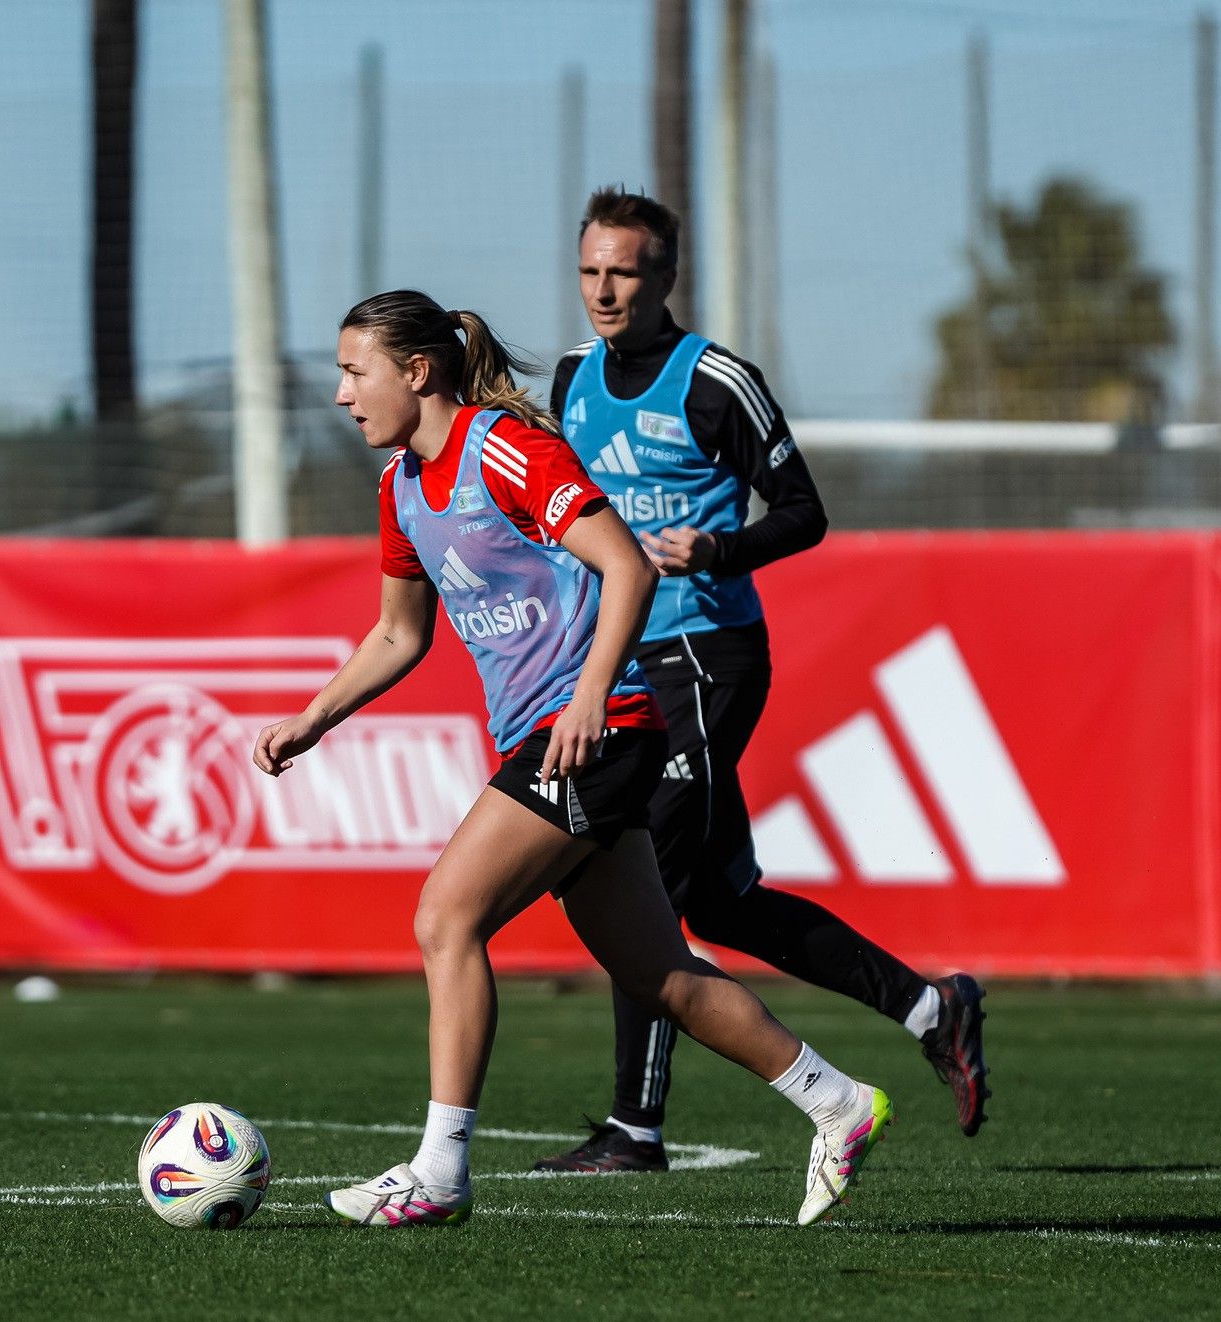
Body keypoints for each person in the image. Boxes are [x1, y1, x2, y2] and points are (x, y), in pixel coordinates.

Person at [253, 290, 892, 1228]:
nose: (344, 394)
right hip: (557, 738)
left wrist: (592, 692)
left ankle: (439, 1169)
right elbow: (398, 635)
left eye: (355, 372)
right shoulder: (398, 487)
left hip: (601, 729)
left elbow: (626, 565)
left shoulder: (504, 447)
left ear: (416, 372)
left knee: (444, 917)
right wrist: (315, 718)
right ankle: (837, 1102)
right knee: (659, 973)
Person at [534, 187, 989, 1175]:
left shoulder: (716, 381)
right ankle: (930, 1006)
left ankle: (635, 1127)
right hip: (621, 663)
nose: (604, 290)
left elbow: (803, 511)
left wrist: (719, 546)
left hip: (705, 656)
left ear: (665, 278)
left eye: (624, 271)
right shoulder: (570, 378)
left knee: (635, 872)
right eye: (589, 270)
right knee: (721, 902)